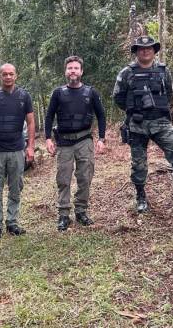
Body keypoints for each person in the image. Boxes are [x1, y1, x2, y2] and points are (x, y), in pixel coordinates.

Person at [112, 36, 173, 213]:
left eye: (149, 48)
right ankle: (141, 197)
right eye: (141, 48)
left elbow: (169, 93)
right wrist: (133, 110)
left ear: (154, 51)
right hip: (137, 124)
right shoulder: (127, 72)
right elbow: (118, 97)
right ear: (136, 52)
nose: (145, 51)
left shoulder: (163, 71)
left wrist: (156, 107)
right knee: (139, 163)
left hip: (160, 122)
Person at [45, 56, 106, 231]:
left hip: (84, 140)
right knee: (63, 179)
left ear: (81, 71)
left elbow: (101, 116)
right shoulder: (58, 93)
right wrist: (48, 139)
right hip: (64, 142)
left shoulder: (91, 92)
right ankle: (63, 214)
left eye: (76, 68)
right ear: (65, 71)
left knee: (85, 177)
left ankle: (81, 211)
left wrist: (101, 139)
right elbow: (49, 116)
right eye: (70, 68)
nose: (73, 71)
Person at [0, 63, 35, 239]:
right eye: (5, 74)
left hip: (17, 149)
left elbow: (31, 122)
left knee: (15, 187)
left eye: (11, 74)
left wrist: (31, 146)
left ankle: (12, 222)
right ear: (0, 76)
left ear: (16, 76)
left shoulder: (24, 96)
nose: (8, 77)